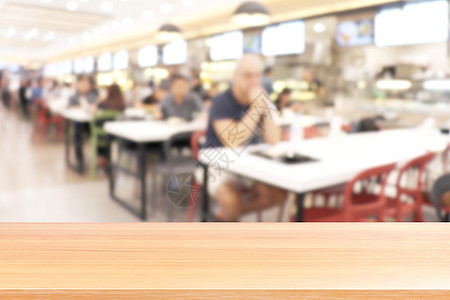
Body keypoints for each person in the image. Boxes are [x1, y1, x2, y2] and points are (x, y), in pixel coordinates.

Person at [204, 54, 287, 221]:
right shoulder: (221, 101)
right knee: (231, 201)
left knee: (279, 195)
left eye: (258, 75)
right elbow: (233, 142)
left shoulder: (260, 100)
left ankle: (226, 217)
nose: (254, 81)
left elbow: (273, 139)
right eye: (248, 75)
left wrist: (267, 106)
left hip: (249, 165)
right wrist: (256, 108)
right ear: (235, 77)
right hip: (217, 164)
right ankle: (230, 227)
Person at [93, 84, 126, 167]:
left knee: (95, 132)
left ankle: (102, 158)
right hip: (117, 135)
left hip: (102, 135)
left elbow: (94, 113)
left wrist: (98, 100)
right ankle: (108, 159)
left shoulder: (103, 103)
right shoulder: (122, 105)